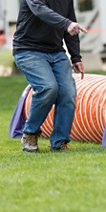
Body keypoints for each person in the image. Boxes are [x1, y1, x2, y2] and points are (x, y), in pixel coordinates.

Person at [13, 0, 87, 152]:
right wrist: (67, 23)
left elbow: (71, 25)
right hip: (28, 50)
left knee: (68, 93)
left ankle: (60, 143)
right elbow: (40, 10)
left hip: (56, 52)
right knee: (48, 87)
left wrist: (76, 57)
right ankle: (30, 133)